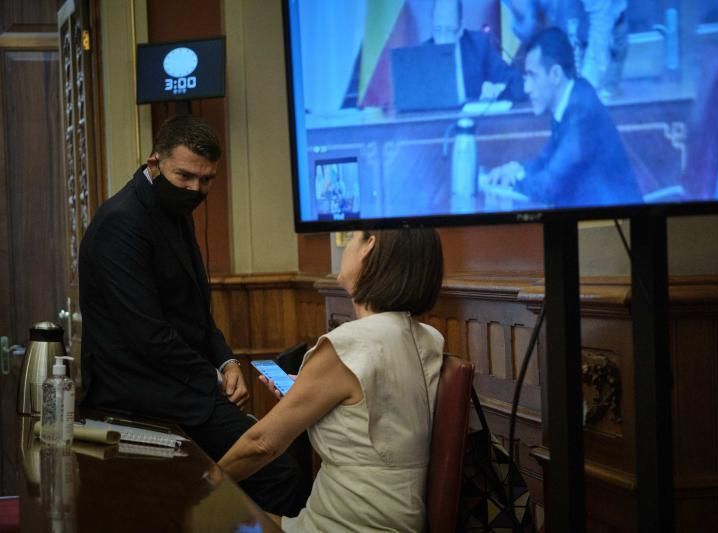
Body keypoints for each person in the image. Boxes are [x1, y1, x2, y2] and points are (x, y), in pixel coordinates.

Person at [78, 115, 305, 516]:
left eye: (206, 180)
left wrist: (227, 359)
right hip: (141, 393)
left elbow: (196, 311)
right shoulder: (121, 222)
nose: (195, 190)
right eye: (184, 176)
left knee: (280, 465)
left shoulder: (172, 210)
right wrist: (214, 379)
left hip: (179, 385)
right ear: (154, 163)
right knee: (279, 471)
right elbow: (147, 334)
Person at [218, 228, 445, 532]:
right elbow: (375, 422)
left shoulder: (349, 344)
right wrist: (307, 395)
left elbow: (261, 444)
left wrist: (205, 482)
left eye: (351, 237)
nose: (347, 246)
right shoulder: (431, 339)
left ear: (368, 247)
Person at [488, 26, 641, 207]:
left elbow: (548, 188)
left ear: (555, 75)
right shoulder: (573, 95)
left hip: (612, 222)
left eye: (532, 76)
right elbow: (546, 160)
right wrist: (516, 168)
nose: (526, 88)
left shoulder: (581, 112)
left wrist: (516, 178)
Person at [430, 0, 525, 102]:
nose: (443, 40)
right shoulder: (423, 56)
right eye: (437, 30)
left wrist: (497, 89)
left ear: (460, 28)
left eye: (449, 31)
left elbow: (515, 82)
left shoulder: (479, 47)